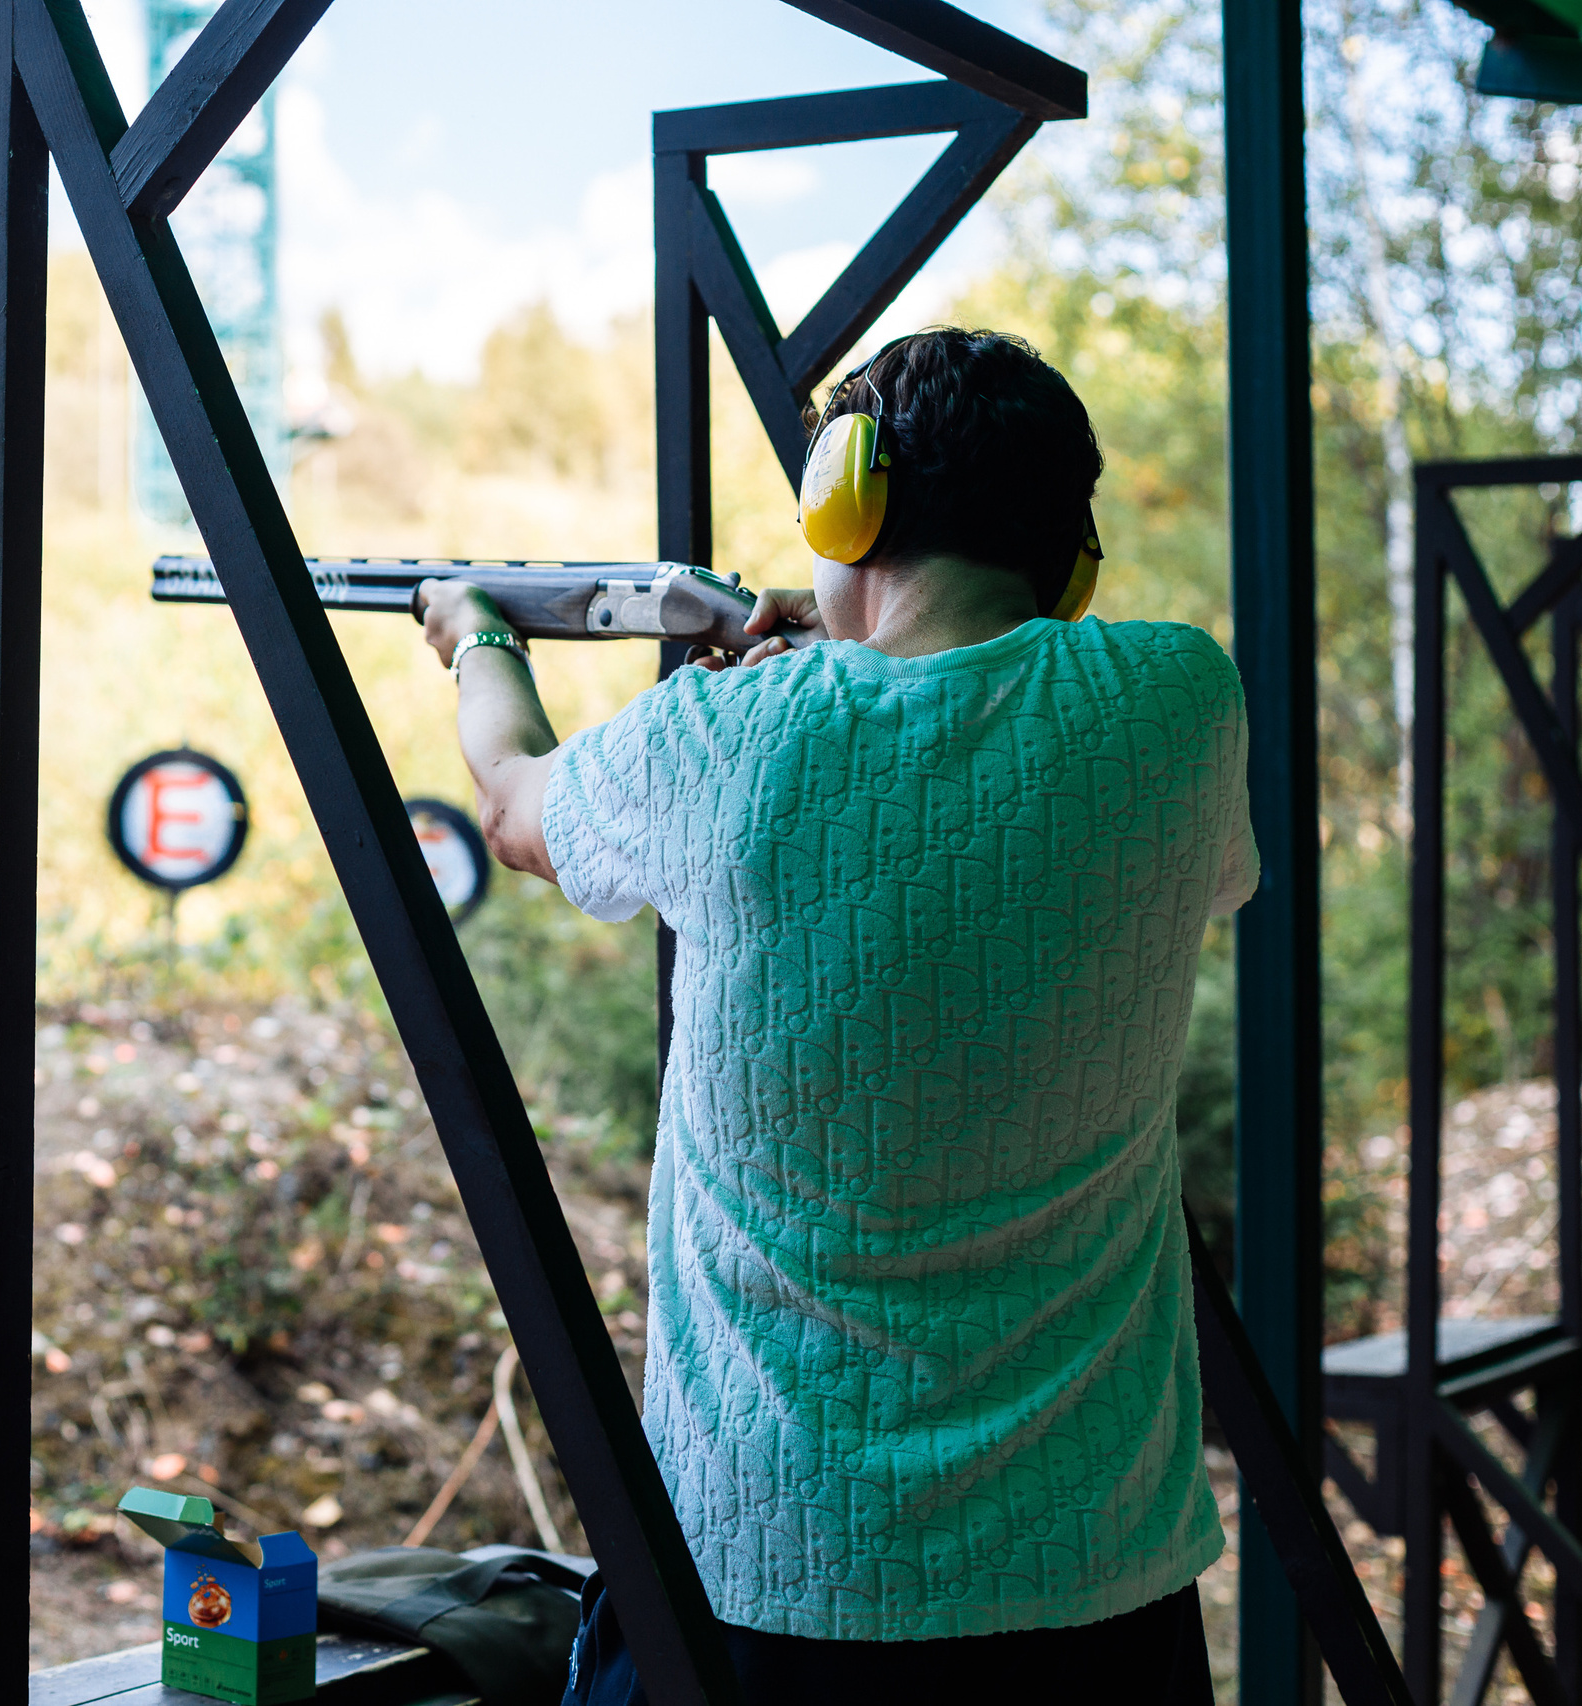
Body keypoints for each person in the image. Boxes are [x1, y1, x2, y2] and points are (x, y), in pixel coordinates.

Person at [414, 326, 1256, 1705]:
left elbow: (509, 801)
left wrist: (478, 637)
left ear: (844, 498)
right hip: (1091, 1570)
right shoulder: (1175, 704)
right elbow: (976, 749)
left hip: (771, 1575)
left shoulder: (727, 737)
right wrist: (851, 651)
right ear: (1071, 548)